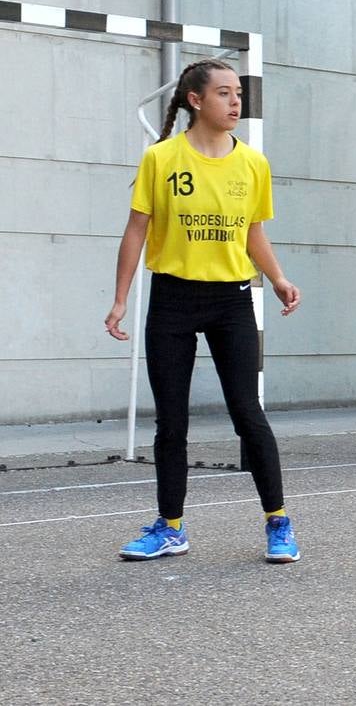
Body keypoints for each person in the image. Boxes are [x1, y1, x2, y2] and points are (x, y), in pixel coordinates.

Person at [104, 59, 303, 563]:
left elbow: (254, 231)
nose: (235, 102)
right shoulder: (161, 158)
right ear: (196, 100)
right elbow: (136, 229)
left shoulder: (253, 164)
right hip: (172, 299)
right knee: (171, 422)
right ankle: (170, 528)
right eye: (224, 93)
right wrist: (121, 298)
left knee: (247, 414)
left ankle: (278, 523)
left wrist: (278, 278)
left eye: (238, 93)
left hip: (231, 300)